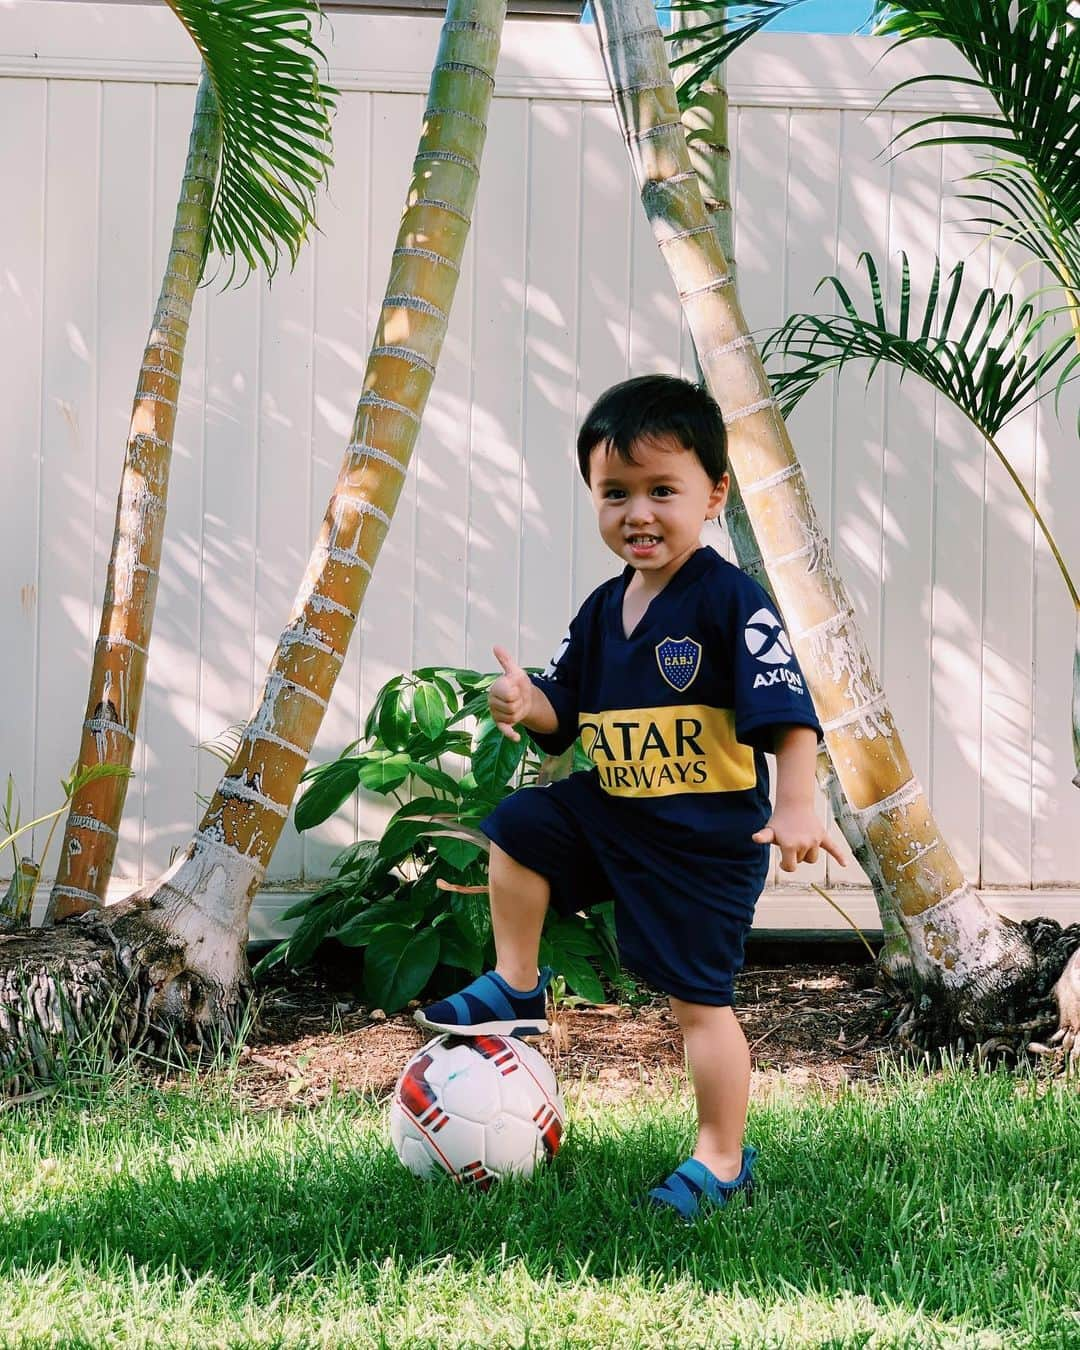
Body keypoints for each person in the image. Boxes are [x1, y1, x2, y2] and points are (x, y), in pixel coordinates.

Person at [417, 373, 844, 1219]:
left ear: (714, 493)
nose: (637, 513)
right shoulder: (604, 607)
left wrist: (796, 802)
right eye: (615, 494)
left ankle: (721, 1159)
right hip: (615, 814)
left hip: (699, 845)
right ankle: (517, 981)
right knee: (522, 823)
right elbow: (562, 708)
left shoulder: (730, 600)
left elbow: (790, 713)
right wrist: (526, 700)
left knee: (700, 1008)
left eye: (661, 491)